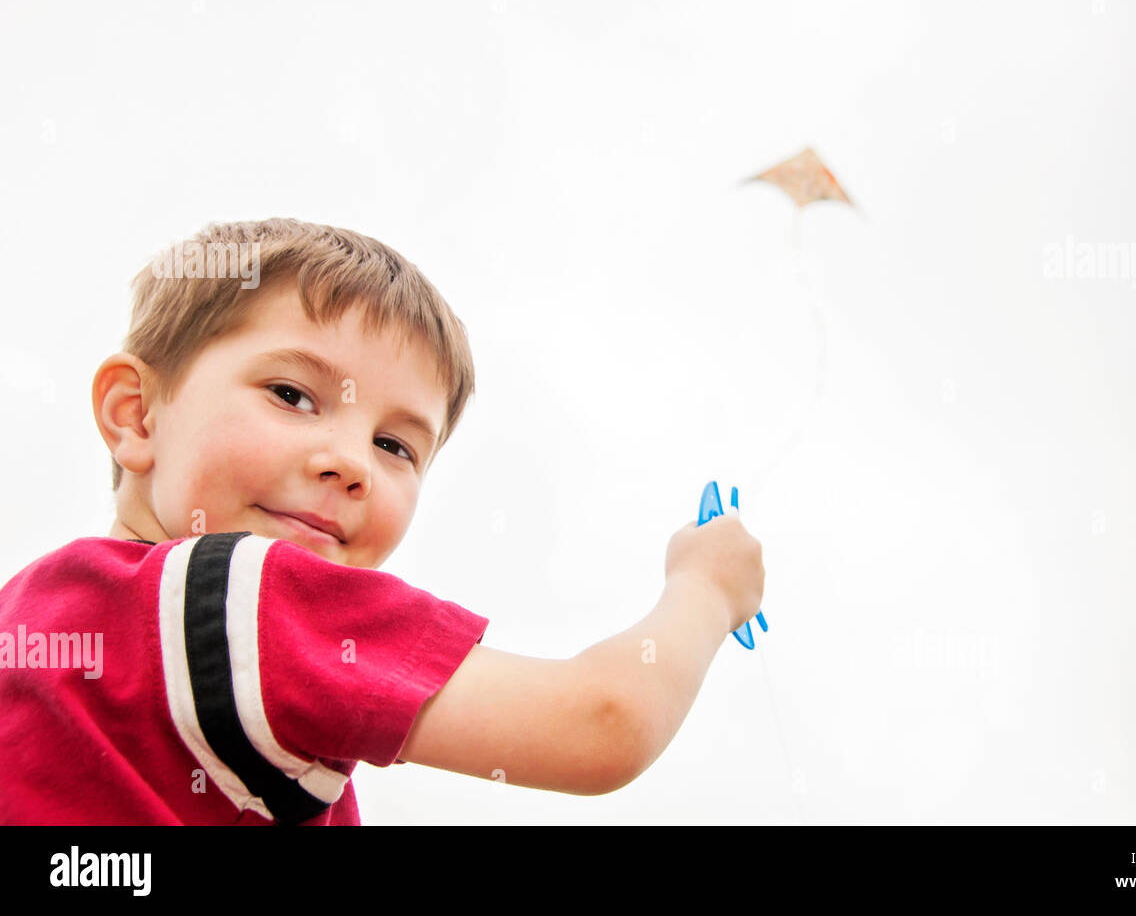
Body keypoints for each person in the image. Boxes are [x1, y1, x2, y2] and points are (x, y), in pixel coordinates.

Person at [0, 218, 765, 824]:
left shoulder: (37, 616)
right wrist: (705, 587)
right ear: (136, 413)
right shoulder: (243, 597)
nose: (350, 462)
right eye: (293, 394)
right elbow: (604, 722)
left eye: (395, 444)